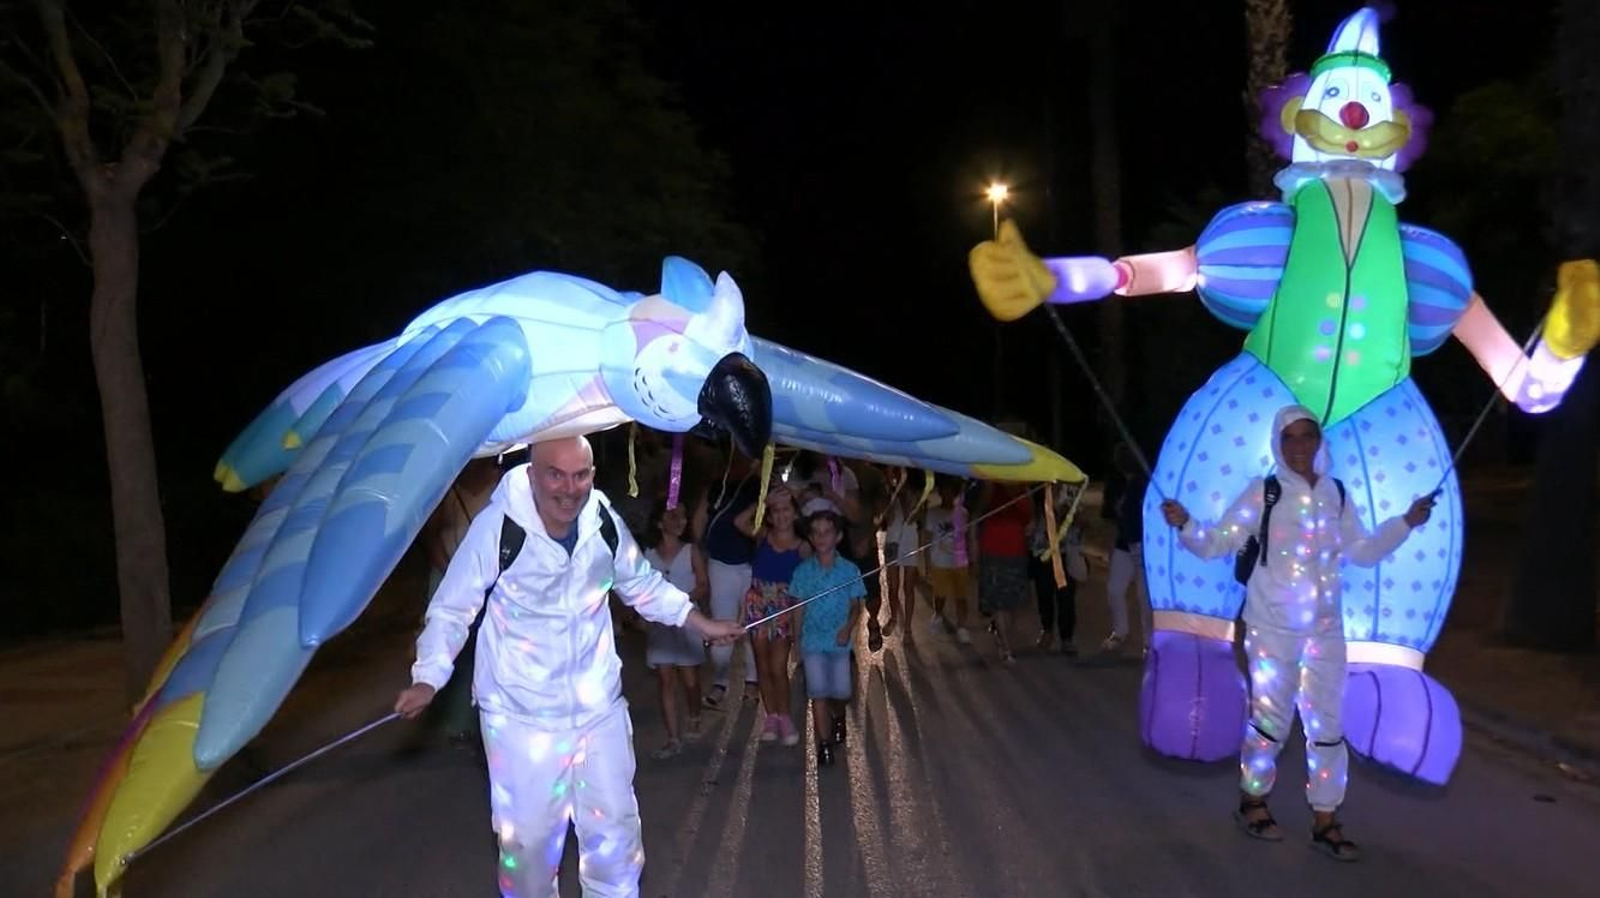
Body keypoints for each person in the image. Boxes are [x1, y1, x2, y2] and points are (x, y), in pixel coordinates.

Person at [395, 436, 744, 896]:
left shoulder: (602, 521)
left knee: (616, 834)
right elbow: (453, 608)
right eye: (556, 475)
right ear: (533, 474)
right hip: (521, 718)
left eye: (580, 474)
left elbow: (641, 584)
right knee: (531, 848)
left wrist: (699, 621)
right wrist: (428, 676)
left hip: (597, 709)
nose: (569, 488)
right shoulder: (499, 529)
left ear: (592, 475)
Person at [1158, 406, 1435, 861]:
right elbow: (1217, 542)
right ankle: (1253, 802)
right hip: (1271, 630)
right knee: (1270, 724)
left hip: (1326, 630)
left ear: (1319, 441)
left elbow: (1362, 552)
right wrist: (1187, 524)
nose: (1301, 445)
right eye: (1291, 437)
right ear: (1278, 443)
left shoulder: (1337, 494)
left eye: (1308, 436)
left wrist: (1405, 523)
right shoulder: (1263, 492)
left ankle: (1325, 820)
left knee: (1327, 726)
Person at [789, 510, 866, 768]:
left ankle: (839, 715)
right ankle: (823, 744)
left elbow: (856, 605)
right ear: (810, 538)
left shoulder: (849, 570)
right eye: (816, 532)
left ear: (838, 536)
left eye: (827, 532)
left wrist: (849, 627)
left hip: (838, 641)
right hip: (812, 641)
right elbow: (797, 608)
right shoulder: (802, 572)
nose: (822, 537)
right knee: (818, 692)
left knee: (841, 691)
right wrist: (796, 641)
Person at [734, 484, 808, 746]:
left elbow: (805, 587)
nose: (781, 515)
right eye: (775, 511)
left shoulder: (802, 547)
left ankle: (785, 716)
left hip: (784, 606)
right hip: (758, 603)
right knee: (762, 664)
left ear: (795, 513)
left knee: (778, 666)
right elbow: (739, 521)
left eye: (786, 509)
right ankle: (771, 716)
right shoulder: (762, 536)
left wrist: (801, 630)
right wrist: (763, 500)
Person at [691, 454, 762, 708]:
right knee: (722, 620)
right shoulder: (715, 487)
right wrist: (696, 548)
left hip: (752, 564)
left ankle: (753, 682)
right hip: (721, 563)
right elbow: (700, 519)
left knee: (754, 622)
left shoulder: (759, 485)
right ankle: (720, 681)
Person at [641, 501, 709, 760]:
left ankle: (694, 713)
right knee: (665, 680)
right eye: (673, 516)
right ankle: (672, 737)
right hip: (660, 627)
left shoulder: (690, 551)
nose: (680, 521)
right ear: (660, 523)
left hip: (688, 622)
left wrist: (682, 604)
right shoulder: (648, 555)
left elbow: (703, 584)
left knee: (690, 681)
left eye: (683, 516)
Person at [975, 480, 1034, 666]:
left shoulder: (1025, 490)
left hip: (1016, 552)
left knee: (1014, 602)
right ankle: (1006, 647)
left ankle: (1001, 633)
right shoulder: (991, 486)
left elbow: (1030, 518)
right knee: (998, 600)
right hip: (992, 550)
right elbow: (980, 511)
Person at [1101, 443, 1152, 656]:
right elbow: (1110, 516)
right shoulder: (1115, 484)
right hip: (1124, 544)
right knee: (1114, 589)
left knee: (1144, 596)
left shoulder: (1146, 483)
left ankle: (1149, 643)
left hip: (1144, 545)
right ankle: (1120, 631)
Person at [1029, 485, 1086, 656]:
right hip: (1042, 551)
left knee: (1066, 597)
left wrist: (1068, 515)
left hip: (1065, 552)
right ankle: (1047, 631)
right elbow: (1033, 518)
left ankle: (1067, 638)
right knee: (1044, 594)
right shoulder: (1038, 489)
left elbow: (1080, 522)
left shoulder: (1071, 492)